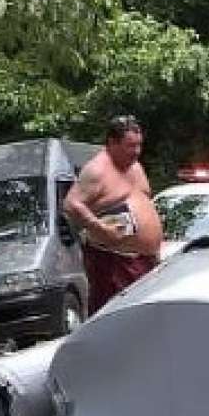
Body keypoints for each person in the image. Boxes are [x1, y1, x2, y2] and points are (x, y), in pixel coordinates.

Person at [65, 115, 163, 313]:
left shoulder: (135, 166)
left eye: (139, 146)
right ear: (112, 143)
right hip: (114, 262)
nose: (136, 152)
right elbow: (71, 204)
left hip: (146, 260)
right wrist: (97, 226)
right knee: (119, 317)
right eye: (130, 146)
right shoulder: (97, 170)